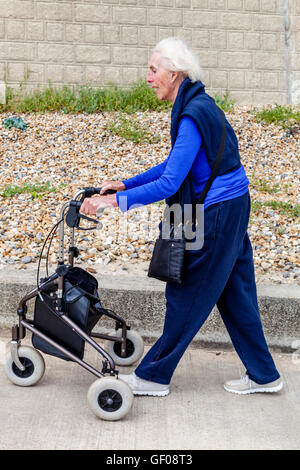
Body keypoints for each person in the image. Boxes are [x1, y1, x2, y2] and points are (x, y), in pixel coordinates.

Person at [81, 37, 282, 397]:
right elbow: (176, 164)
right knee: (235, 293)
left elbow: (172, 181)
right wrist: (126, 183)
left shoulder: (191, 114)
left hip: (217, 213)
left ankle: (153, 377)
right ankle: (266, 375)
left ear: (174, 74)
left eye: (153, 70)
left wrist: (113, 203)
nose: (148, 77)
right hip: (232, 206)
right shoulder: (199, 104)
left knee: (187, 291)